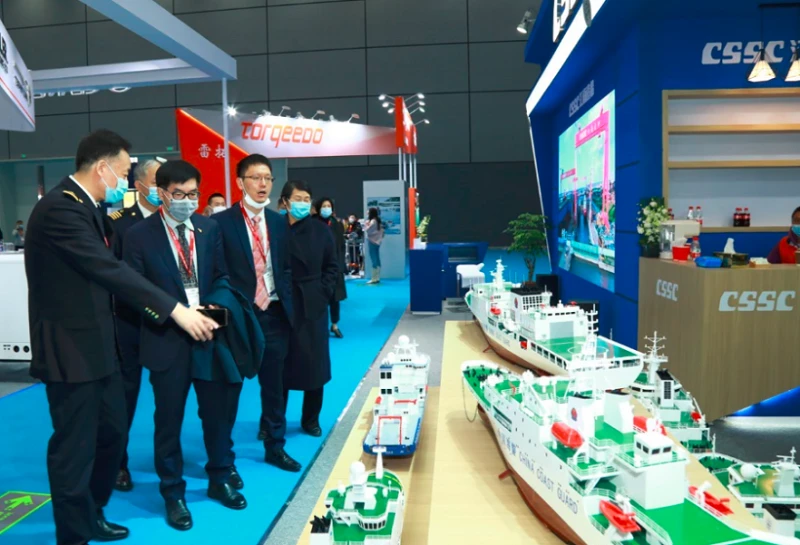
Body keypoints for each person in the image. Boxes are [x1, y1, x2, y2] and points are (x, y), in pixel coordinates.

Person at [25, 129, 218, 545]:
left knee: (112, 436)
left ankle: (93, 511)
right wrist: (175, 310)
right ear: (102, 168)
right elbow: (109, 270)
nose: (127, 181)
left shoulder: (89, 207)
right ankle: (74, 534)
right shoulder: (60, 209)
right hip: (70, 352)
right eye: (125, 171)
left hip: (101, 348)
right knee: (75, 448)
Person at [123, 160, 246, 530]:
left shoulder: (209, 228)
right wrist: (176, 316)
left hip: (208, 335)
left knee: (217, 414)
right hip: (166, 339)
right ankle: (172, 492)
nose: (187, 201)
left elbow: (222, 276)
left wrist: (212, 313)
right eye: (179, 194)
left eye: (193, 194)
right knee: (168, 420)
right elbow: (134, 290)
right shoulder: (138, 235)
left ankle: (220, 477)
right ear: (161, 193)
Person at [211, 154, 301, 472]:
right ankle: (223, 458)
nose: (263, 184)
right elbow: (216, 272)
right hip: (240, 318)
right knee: (229, 389)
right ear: (240, 182)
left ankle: (275, 446)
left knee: (275, 387)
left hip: (274, 314)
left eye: (267, 178)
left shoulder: (278, 222)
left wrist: (288, 304)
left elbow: (285, 267)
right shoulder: (221, 223)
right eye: (255, 178)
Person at [108, 157, 161, 493]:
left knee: (170, 398)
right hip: (129, 324)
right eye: (157, 182)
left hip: (166, 325)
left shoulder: (173, 220)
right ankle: (118, 464)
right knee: (123, 399)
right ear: (140, 186)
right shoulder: (118, 224)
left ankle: (168, 461)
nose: (162, 189)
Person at [281, 180, 338, 438]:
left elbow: (332, 266)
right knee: (278, 366)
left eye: (307, 199)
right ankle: (273, 420)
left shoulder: (321, 231)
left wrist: (322, 292)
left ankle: (311, 419)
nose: (303, 204)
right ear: (285, 202)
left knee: (315, 363)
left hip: (312, 301)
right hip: (281, 302)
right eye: (298, 198)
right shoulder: (274, 228)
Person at [314, 198, 347, 338]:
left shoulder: (336, 224)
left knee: (335, 298)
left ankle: (334, 325)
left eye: (329, 206)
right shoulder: (313, 223)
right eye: (324, 206)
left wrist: (341, 265)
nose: (326, 208)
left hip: (335, 267)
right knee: (319, 298)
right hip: (318, 268)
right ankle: (319, 326)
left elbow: (341, 245)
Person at [365, 207, 384, 284]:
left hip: (372, 241)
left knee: (374, 259)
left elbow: (368, 230)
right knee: (377, 258)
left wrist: (366, 225)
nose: (367, 213)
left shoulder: (373, 221)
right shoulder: (378, 221)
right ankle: (377, 277)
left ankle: (374, 278)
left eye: (368, 212)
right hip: (377, 242)